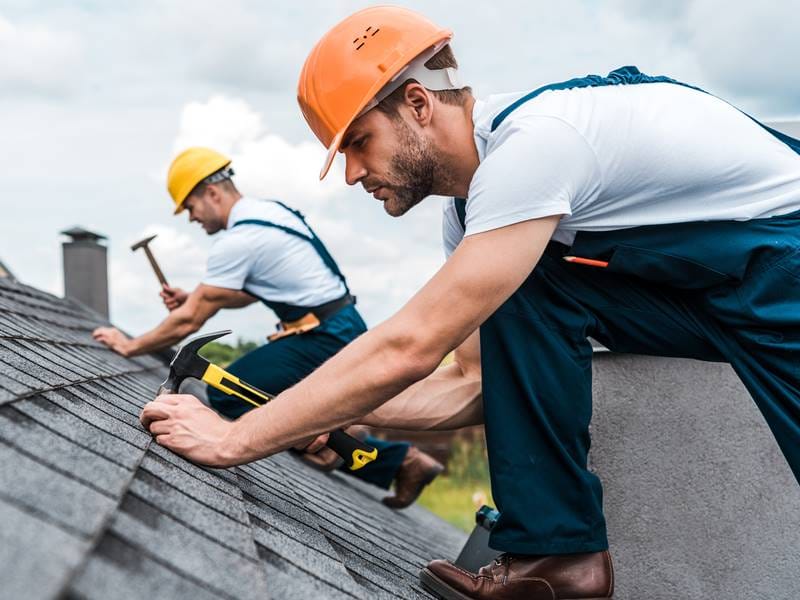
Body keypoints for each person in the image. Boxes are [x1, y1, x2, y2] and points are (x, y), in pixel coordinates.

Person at [139, 7, 800, 600]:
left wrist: (235, 438)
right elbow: (473, 386)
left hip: (784, 265)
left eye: (358, 143)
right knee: (531, 284)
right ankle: (558, 555)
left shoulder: (535, 147)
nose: (350, 174)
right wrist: (302, 415)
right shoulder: (477, 219)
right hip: (717, 295)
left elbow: (411, 345)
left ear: (419, 104)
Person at [94, 146, 443, 509]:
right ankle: (364, 448)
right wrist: (194, 296)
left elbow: (189, 320)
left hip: (322, 336)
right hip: (336, 326)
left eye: (191, 208)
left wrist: (129, 345)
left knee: (228, 394)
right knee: (274, 399)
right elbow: (244, 295)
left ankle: (365, 450)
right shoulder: (269, 214)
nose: (192, 219)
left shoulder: (240, 239)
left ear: (211, 193)